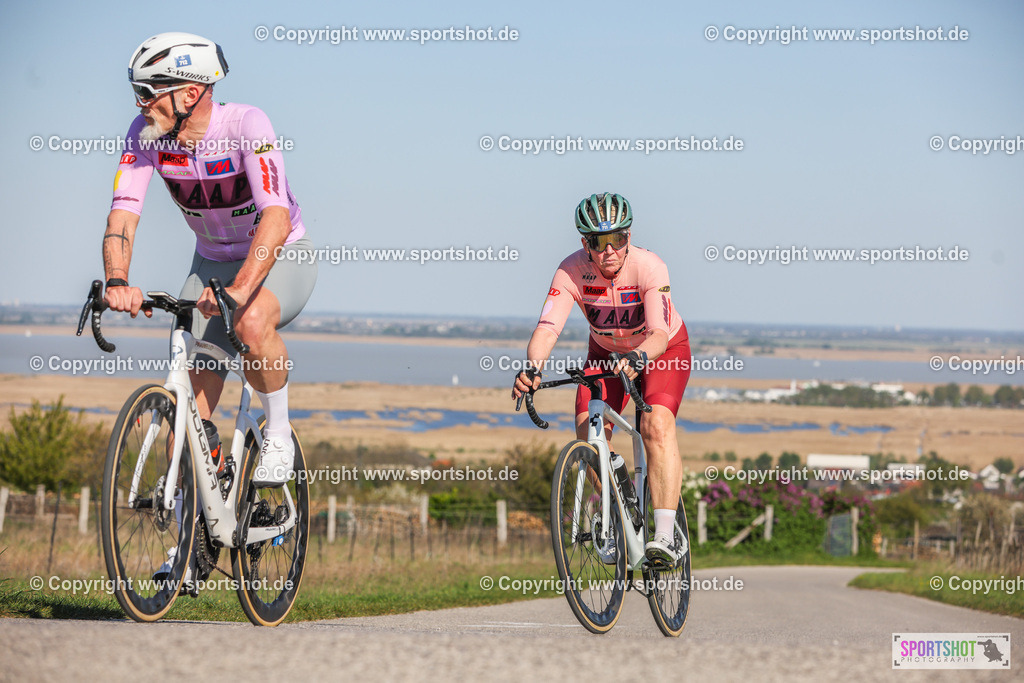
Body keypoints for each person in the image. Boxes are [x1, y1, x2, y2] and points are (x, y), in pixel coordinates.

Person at [102, 32, 317, 488]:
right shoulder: (146, 136)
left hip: (278, 256)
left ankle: (277, 432)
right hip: (210, 264)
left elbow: (275, 217)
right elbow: (123, 213)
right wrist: (117, 279)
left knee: (250, 324)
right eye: (136, 92)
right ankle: (187, 546)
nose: (141, 105)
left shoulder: (246, 125)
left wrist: (240, 291)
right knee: (184, 416)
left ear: (191, 92)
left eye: (149, 92)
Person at [512, 193, 690, 565]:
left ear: (629, 236)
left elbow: (658, 332)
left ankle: (665, 536)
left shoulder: (650, 266)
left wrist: (640, 357)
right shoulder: (570, 271)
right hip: (607, 356)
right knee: (586, 432)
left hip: (662, 352)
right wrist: (532, 368)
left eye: (618, 239)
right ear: (584, 244)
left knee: (655, 424)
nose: (609, 250)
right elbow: (547, 327)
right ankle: (615, 517)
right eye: (597, 242)